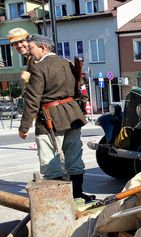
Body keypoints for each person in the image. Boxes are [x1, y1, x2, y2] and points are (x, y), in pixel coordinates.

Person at [18, 35, 93, 202]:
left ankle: (58, 200)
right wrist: (80, 110)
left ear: (43, 47)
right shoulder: (69, 64)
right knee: (74, 156)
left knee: (49, 161)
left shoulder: (39, 68)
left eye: (31, 48)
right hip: (73, 115)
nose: (30, 53)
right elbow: (81, 90)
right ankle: (77, 194)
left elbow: (33, 99)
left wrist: (24, 127)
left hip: (50, 117)